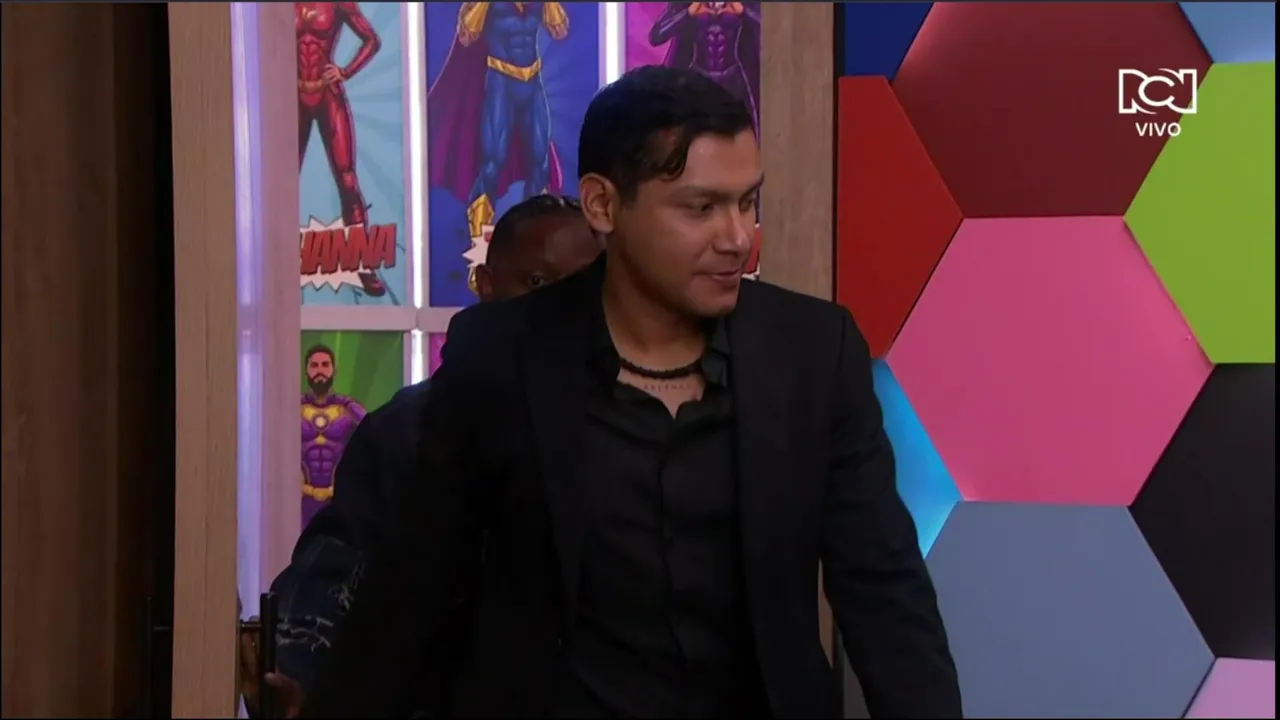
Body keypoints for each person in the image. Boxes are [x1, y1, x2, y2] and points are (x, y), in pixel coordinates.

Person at [302, 65, 962, 719]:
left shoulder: (813, 355)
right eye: (702, 208)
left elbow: (884, 591)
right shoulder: (501, 359)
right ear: (603, 206)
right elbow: (409, 593)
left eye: (747, 202)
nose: (738, 238)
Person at [239, 194, 602, 719]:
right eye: (538, 283)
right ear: (485, 285)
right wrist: (302, 677)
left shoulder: (628, 424)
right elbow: (338, 570)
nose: (558, 309)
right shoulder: (407, 428)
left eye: (581, 288)